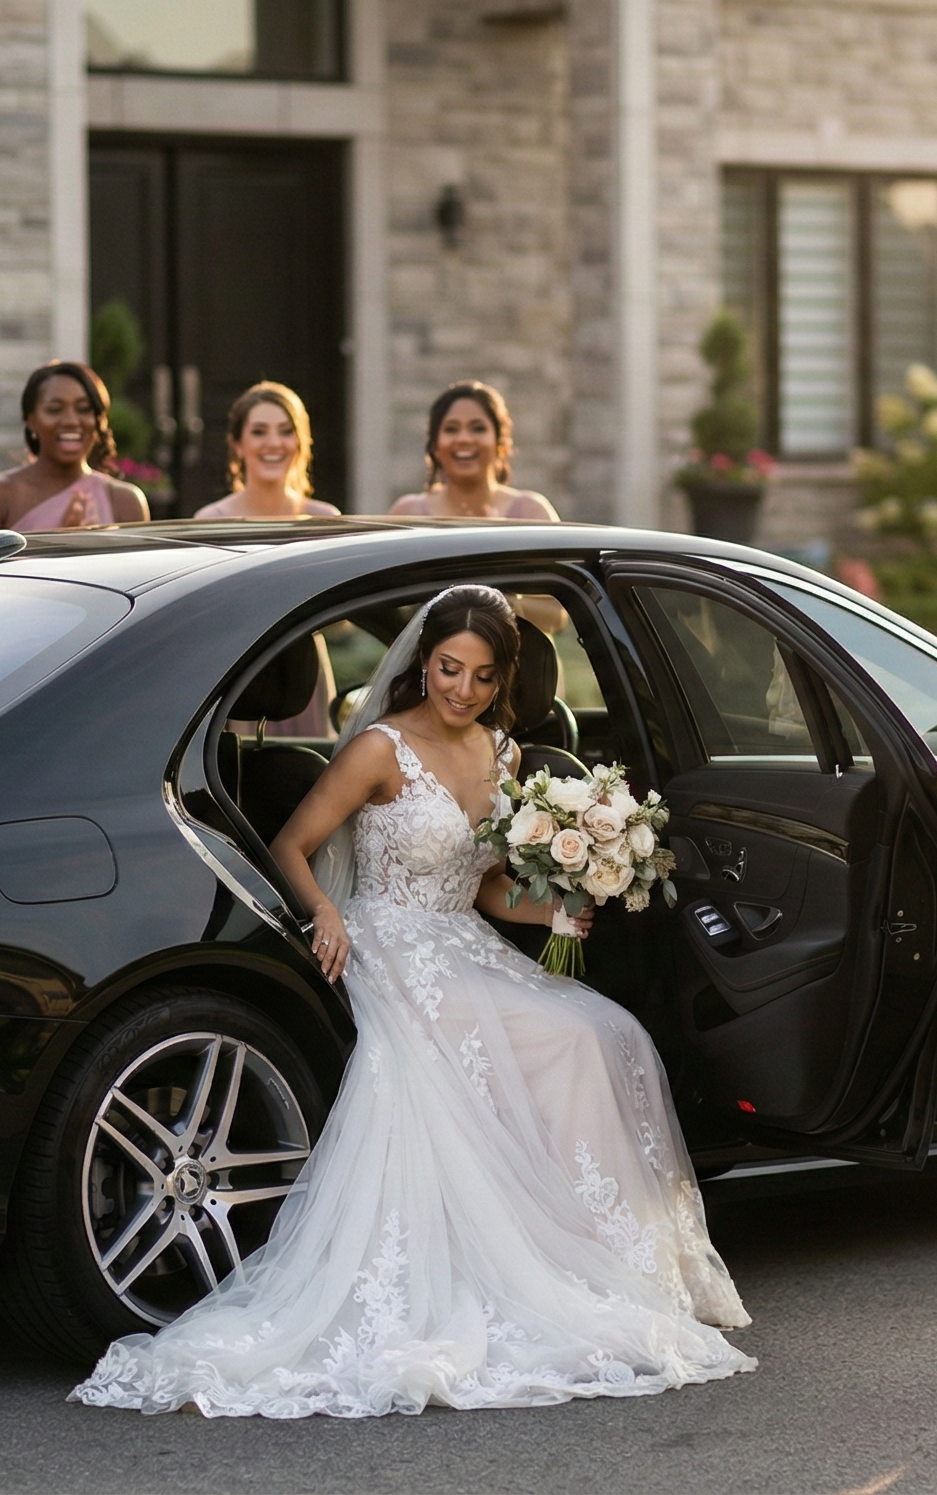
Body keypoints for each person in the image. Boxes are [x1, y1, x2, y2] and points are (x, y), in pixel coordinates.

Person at [71, 586, 751, 1418]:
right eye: (446, 668)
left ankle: (600, 1256)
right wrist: (323, 912)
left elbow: (493, 891)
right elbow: (293, 845)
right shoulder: (380, 749)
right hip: (387, 940)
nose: (458, 689)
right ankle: (533, 1264)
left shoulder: (504, 754)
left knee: (605, 1032)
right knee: (517, 1039)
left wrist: (556, 909)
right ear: (424, 661)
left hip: (462, 938)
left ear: (502, 681)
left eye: (478, 676)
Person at [0, 362, 154, 531]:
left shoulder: (125, 501)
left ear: (98, 420)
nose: (71, 421)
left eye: (83, 409)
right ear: (31, 420)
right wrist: (61, 541)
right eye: (54, 409)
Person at [387, 381, 557, 521]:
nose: (464, 439)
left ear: (501, 443)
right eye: (451, 429)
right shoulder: (408, 513)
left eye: (478, 428)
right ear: (434, 446)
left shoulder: (531, 513)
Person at [188, 381, 342, 519]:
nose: (274, 443)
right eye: (259, 432)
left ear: (301, 441)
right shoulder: (213, 520)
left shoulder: (326, 519)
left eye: (286, 431)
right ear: (237, 444)